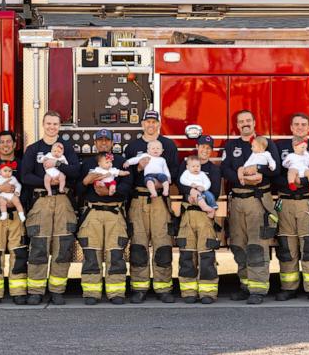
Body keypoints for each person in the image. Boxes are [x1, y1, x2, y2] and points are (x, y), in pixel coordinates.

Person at [20, 110, 80, 305]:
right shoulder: (33, 149)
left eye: (56, 124)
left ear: (59, 126)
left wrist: (57, 166)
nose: (52, 127)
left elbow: (75, 171)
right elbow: (25, 176)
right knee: (39, 246)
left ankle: (57, 290)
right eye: (49, 123)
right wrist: (46, 182)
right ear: (43, 125)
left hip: (63, 202)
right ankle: (36, 291)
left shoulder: (67, 148)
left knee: (62, 247)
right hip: (41, 201)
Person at [222, 110, 280, 304]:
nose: (245, 124)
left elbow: (277, 169)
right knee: (239, 245)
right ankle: (245, 286)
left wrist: (259, 172)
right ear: (237, 125)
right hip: (237, 201)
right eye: (241, 121)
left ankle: (258, 290)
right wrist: (242, 178)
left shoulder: (267, 143)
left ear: (254, 122)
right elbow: (225, 169)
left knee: (257, 245)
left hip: (258, 201)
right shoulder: (232, 145)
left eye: (248, 120)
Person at [124, 110, 179, 303]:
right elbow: (127, 175)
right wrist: (139, 169)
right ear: (142, 124)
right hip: (138, 200)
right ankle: (139, 288)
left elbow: (174, 171)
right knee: (138, 245)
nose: (150, 125)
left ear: (159, 124)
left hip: (160, 202)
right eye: (147, 121)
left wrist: (160, 184)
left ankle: (163, 288)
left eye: (154, 122)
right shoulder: (133, 146)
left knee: (162, 243)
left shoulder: (168, 145)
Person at [273, 113, 309, 302]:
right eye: (296, 124)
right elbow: (275, 175)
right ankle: (289, 288)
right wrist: (291, 182)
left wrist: (300, 181)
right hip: (286, 204)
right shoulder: (280, 147)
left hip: (308, 203)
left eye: (303, 124)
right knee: (287, 248)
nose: (299, 127)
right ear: (291, 127)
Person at [77, 129, 133, 305]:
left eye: (106, 140)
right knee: (91, 253)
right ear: (94, 143)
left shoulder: (122, 162)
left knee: (115, 253)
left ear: (112, 143)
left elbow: (127, 188)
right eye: (99, 140)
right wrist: (86, 181)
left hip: (115, 212)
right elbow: (78, 189)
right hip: (92, 213)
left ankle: (116, 292)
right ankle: (91, 293)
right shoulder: (87, 164)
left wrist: (108, 193)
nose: (103, 143)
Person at [0, 130, 29, 306]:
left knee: (19, 253)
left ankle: (18, 292)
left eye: (9, 142)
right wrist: (0, 191)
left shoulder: (22, 164)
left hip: (17, 214)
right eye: (2, 142)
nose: (5, 145)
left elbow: (27, 187)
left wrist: (17, 201)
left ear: (15, 145)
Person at [176, 136, 223, 303]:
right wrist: (190, 192)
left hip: (204, 216)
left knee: (206, 253)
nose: (205, 150)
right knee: (187, 252)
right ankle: (188, 292)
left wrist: (200, 195)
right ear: (197, 147)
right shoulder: (186, 164)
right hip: (188, 213)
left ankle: (207, 292)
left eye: (209, 148)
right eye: (202, 147)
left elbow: (215, 192)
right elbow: (179, 182)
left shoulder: (214, 169)